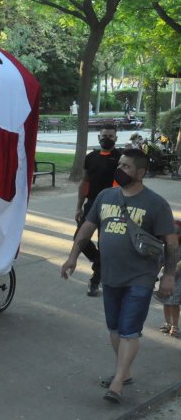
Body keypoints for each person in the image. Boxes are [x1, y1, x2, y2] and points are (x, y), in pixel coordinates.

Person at [61, 148, 177, 404]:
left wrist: (168, 275)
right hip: (111, 274)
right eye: (120, 165)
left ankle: (117, 382)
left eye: (126, 166)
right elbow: (86, 230)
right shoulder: (105, 196)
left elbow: (171, 243)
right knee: (114, 328)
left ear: (141, 173)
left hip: (141, 277)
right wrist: (72, 257)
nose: (120, 170)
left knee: (129, 330)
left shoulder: (155, 203)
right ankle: (125, 372)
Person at [75, 126, 123, 297]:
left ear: (116, 138)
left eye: (110, 136)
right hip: (92, 203)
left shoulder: (121, 158)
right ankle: (98, 261)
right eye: (104, 135)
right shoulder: (91, 157)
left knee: (106, 244)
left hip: (113, 206)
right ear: (98, 137)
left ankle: (95, 280)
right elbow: (84, 181)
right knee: (79, 238)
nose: (107, 138)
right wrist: (79, 206)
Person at [155, 221, 181, 337]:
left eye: (178, 233)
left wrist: (176, 267)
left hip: (178, 280)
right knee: (166, 302)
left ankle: (175, 325)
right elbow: (160, 260)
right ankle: (167, 322)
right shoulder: (165, 246)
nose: (174, 235)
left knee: (174, 303)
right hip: (166, 278)